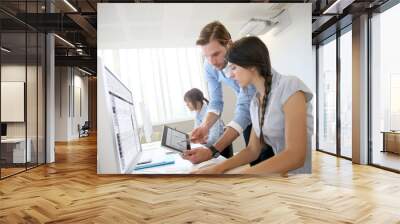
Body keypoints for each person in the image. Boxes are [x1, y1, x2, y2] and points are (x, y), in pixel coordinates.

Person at [193, 36, 313, 174]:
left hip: (298, 183)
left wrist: (239, 176)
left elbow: (295, 156)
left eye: (234, 68)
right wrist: (217, 169)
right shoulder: (255, 103)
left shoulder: (289, 86)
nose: (231, 75)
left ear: (250, 65)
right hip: (280, 179)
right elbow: (252, 150)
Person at [183, 21, 274, 165]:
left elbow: (243, 111)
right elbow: (216, 101)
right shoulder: (209, 66)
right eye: (206, 56)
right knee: (255, 159)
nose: (211, 62)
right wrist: (205, 127)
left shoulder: (245, 61)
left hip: (268, 111)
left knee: (268, 160)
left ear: (229, 44)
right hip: (251, 112)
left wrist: (211, 151)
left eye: (216, 54)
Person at [184, 88, 233, 158]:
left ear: (197, 101)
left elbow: (214, 137)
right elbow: (196, 133)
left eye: (188, 102)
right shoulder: (198, 113)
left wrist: (199, 147)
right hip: (209, 146)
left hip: (220, 147)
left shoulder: (210, 113)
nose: (186, 105)